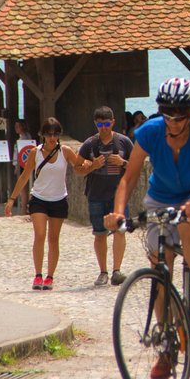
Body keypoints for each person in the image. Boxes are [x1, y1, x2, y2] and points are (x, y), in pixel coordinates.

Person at [104, 77, 190, 379]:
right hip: (160, 197)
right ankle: (168, 346)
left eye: (179, 115)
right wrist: (119, 213)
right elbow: (128, 179)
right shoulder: (149, 132)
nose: (172, 121)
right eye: (167, 114)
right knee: (159, 268)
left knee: (186, 223)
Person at [4, 117, 94, 291]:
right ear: (42, 135)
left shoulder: (65, 151)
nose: (52, 138)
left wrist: (92, 165)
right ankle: (38, 275)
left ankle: (50, 276)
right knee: (39, 235)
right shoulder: (35, 153)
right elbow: (24, 177)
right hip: (39, 199)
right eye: (49, 134)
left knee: (53, 239)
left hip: (59, 200)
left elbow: (79, 167)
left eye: (55, 134)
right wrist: (11, 199)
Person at [76, 106, 134, 287]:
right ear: (95, 124)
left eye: (106, 123)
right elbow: (77, 169)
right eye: (100, 124)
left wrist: (123, 162)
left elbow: (136, 166)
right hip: (96, 195)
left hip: (119, 196)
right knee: (100, 234)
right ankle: (103, 272)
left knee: (120, 231)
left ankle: (117, 271)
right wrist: (93, 166)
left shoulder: (124, 142)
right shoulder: (89, 144)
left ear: (113, 122)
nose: (103, 127)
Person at [12, 118, 33, 212]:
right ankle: (25, 207)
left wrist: (16, 166)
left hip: (22, 165)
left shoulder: (23, 139)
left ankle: (24, 209)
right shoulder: (28, 136)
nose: (16, 128)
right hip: (27, 164)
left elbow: (20, 154)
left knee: (22, 188)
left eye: (18, 126)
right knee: (26, 187)